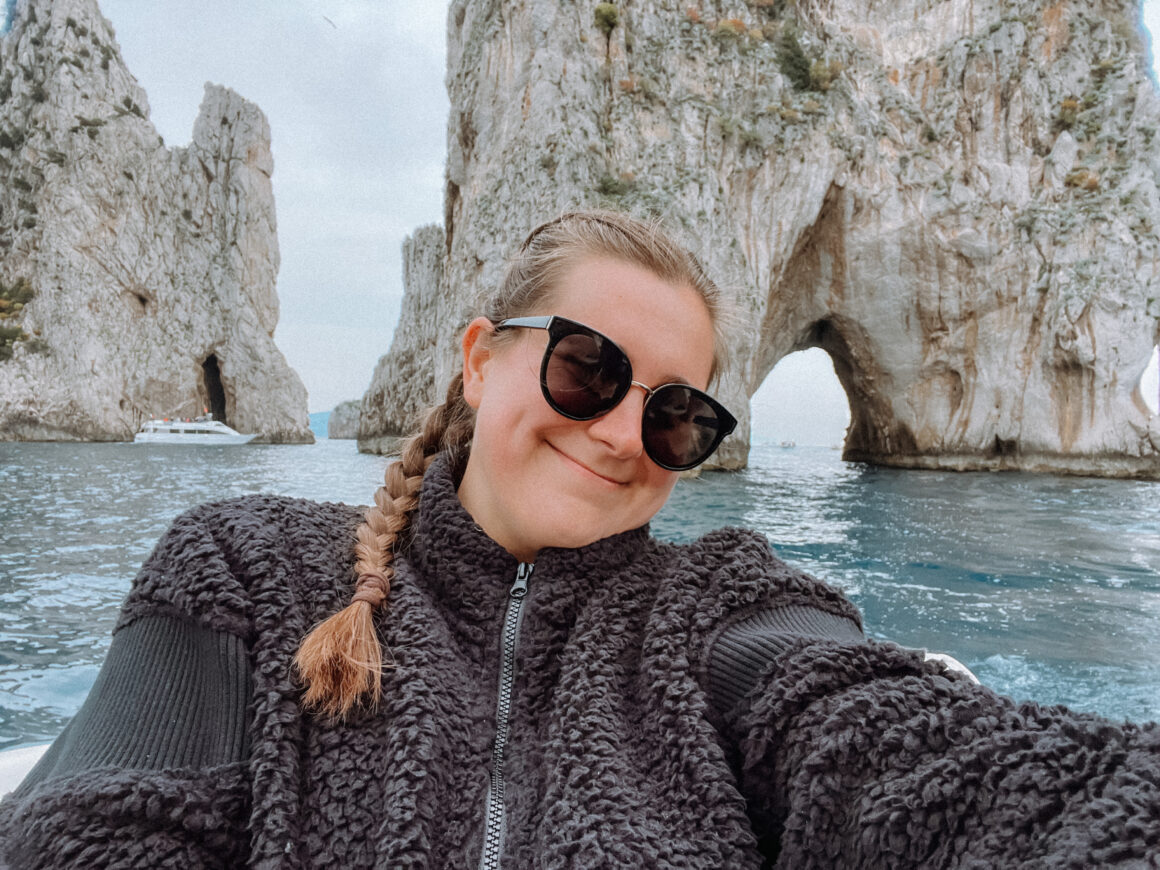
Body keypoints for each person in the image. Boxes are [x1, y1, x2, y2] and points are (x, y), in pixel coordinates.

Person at [1, 210, 1157, 868]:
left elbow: (914, 757)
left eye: (674, 414)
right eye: (586, 367)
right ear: (477, 357)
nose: (617, 432)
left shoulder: (725, 608)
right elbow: (97, 834)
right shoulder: (245, 567)